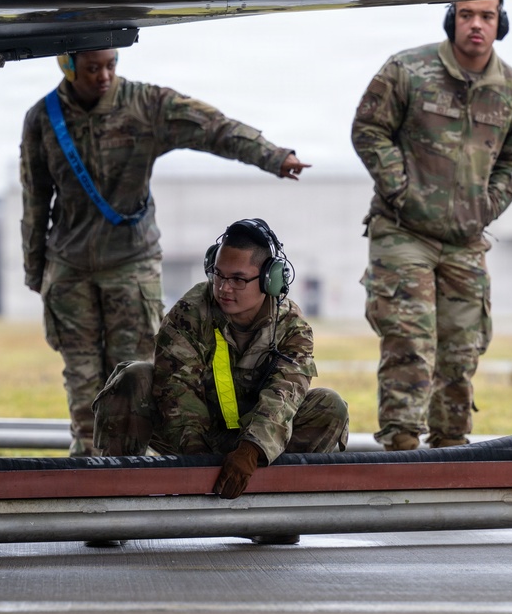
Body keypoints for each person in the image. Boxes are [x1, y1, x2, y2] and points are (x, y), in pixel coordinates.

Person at [20, 48, 312, 456]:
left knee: (135, 376)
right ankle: (89, 471)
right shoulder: (43, 120)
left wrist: (273, 156)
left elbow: (212, 127)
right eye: (92, 68)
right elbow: (35, 200)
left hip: (131, 265)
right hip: (69, 269)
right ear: (67, 66)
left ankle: (138, 478)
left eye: (111, 65)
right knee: (82, 383)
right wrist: (37, 273)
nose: (104, 76)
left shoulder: (146, 105)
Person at [351, 0, 512, 451]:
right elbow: (368, 129)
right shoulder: (407, 69)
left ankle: (451, 451)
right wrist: (403, 191)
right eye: (467, 14)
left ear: (500, 24)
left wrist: (487, 206)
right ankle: (400, 447)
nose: (476, 25)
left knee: (460, 351)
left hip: (465, 238)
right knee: (410, 344)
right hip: (403, 230)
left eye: (487, 16)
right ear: (452, 18)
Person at [92, 219, 349, 523]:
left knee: (329, 406)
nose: (224, 288)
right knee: (134, 377)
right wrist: (198, 460)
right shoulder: (191, 311)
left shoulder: (291, 325)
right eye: (218, 274)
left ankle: (277, 516)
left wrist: (251, 450)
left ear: (269, 280)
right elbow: (177, 391)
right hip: (192, 433)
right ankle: (110, 508)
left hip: (254, 442)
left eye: (238, 279)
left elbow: (283, 397)